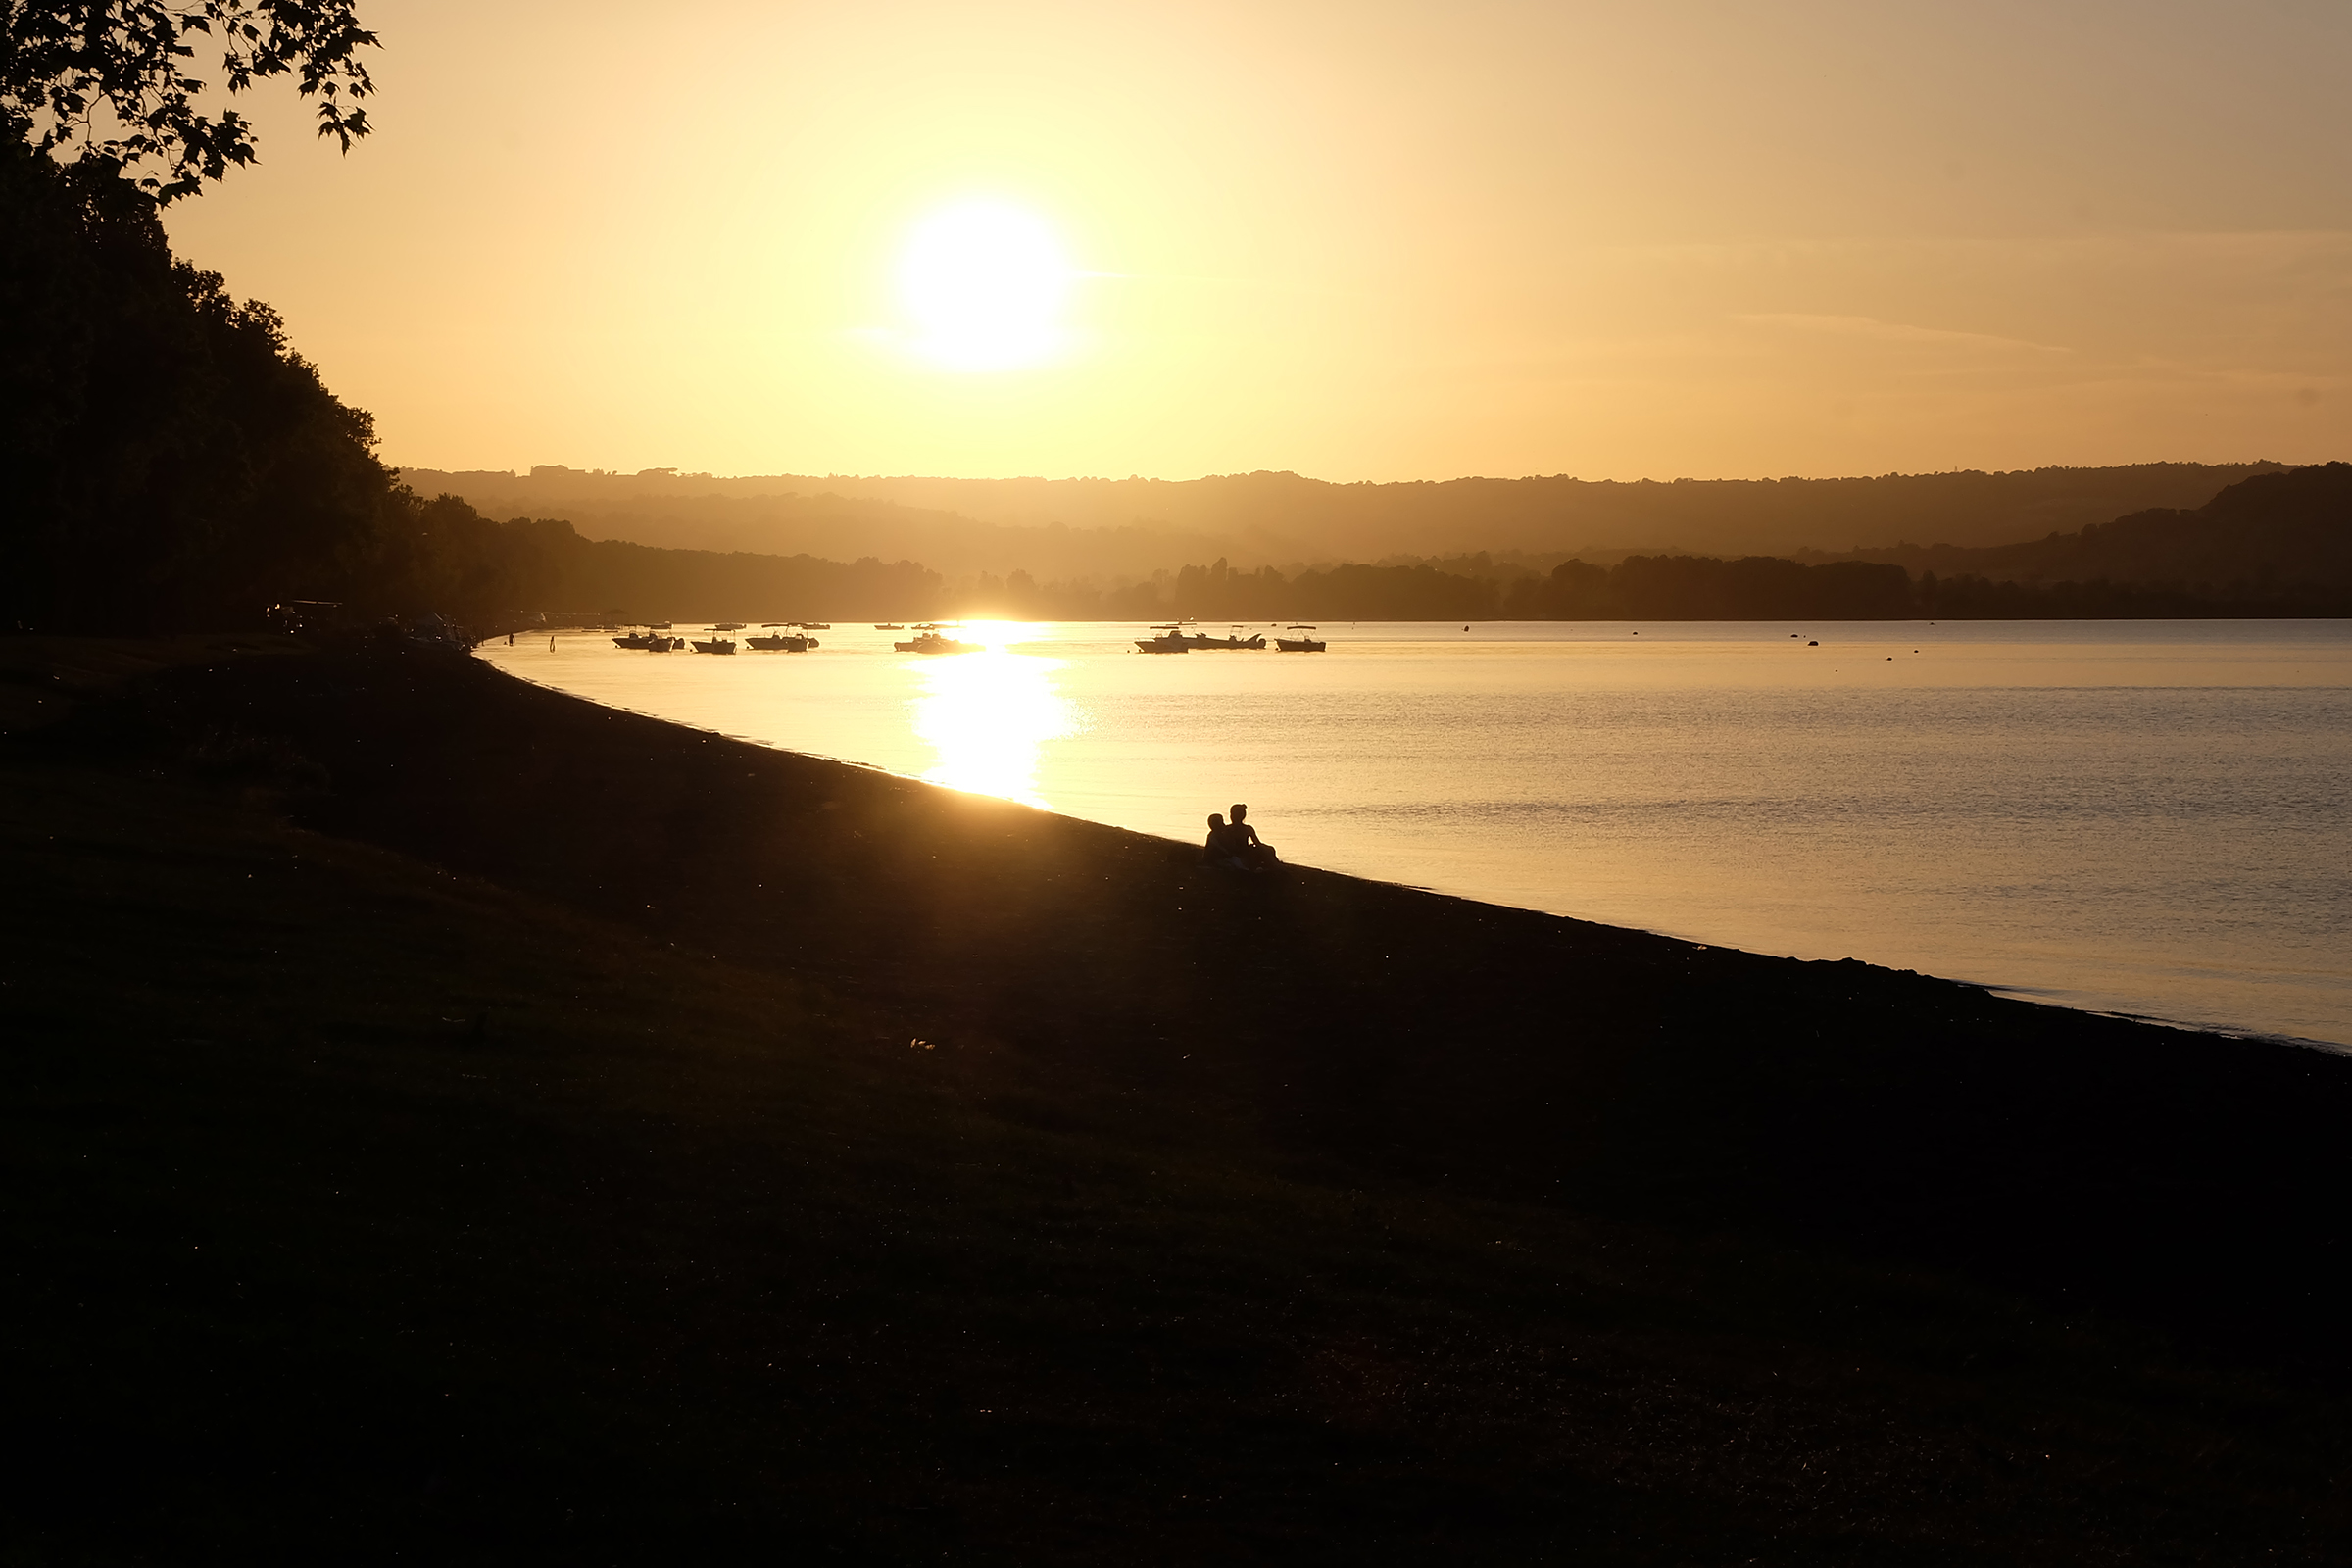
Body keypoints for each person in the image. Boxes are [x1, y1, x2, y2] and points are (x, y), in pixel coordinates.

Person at [1228, 804, 1279, 869]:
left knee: (1269, 849)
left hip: (1243, 852)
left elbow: (1257, 843)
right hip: (1242, 853)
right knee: (1268, 849)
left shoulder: (1228, 829)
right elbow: (1257, 843)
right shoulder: (1246, 829)